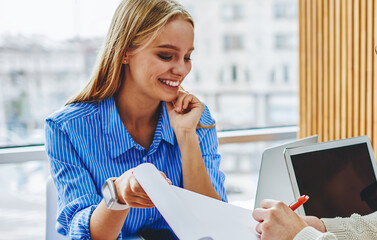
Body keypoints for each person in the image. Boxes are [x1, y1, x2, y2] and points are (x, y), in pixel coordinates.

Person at [44, 0, 227, 239]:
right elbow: (83, 235)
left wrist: (186, 136)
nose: (181, 69)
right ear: (125, 52)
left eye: (187, 57)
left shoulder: (196, 118)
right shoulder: (67, 129)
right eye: (166, 55)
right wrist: (117, 194)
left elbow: (216, 225)